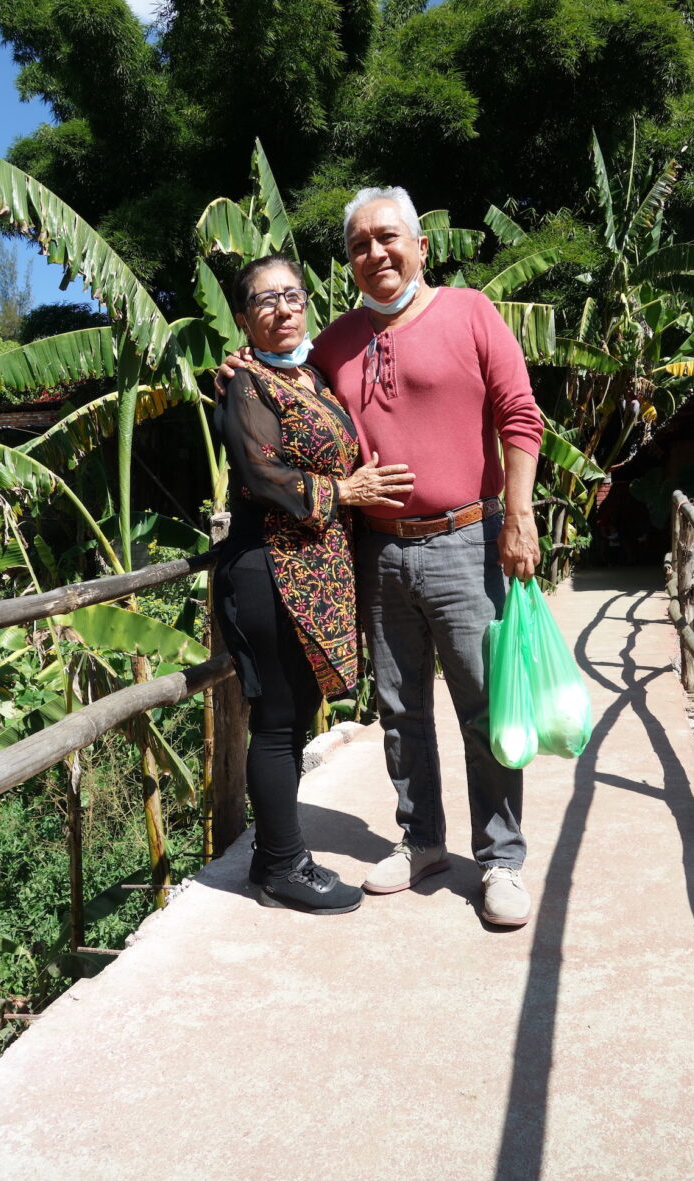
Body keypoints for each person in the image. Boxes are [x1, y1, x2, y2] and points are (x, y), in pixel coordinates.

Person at [219, 188, 543, 927]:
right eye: (360, 245)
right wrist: (233, 370)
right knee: (400, 710)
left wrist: (518, 516)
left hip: (467, 538)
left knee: (485, 708)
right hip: (379, 549)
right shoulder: (333, 343)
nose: (376, 253)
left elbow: (520, 414)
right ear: (350, 261)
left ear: (421, 245)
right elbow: (275, 391)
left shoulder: (471, 312)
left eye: (389, 238)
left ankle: (500, 861)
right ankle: (422, 839)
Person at [213, 253, 415, 914]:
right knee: (275, 722)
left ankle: (276, 859)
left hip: (317, 569)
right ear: (244, 318)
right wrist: (347, 490)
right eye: (263, 300)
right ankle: (281, 868)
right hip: (268, 569)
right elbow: (260, 475)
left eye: (291, 294)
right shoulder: (247, 386)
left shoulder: (313, 374)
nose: (281, 307)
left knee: (296, 715)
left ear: (306, 302)